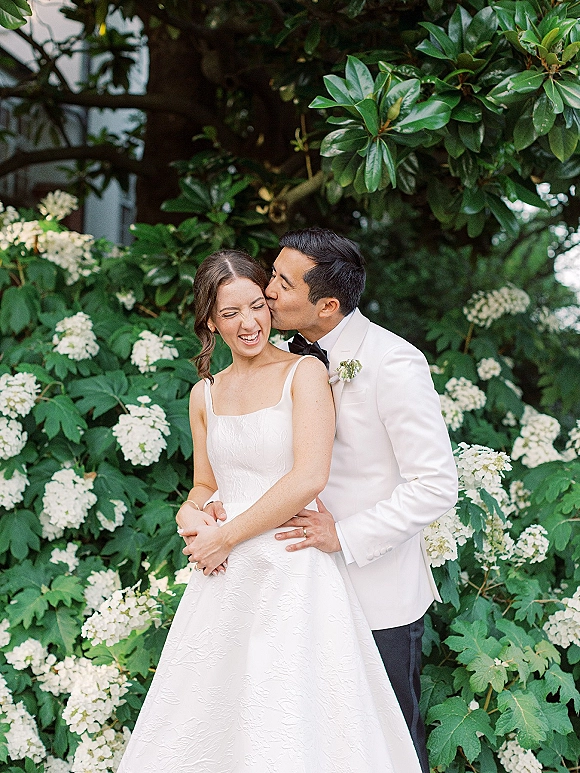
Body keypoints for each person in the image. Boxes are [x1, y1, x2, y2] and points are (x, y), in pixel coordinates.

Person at [117, 248, 423, 773]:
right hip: (224, 579)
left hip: (292, 569)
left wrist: (226, 535)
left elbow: (308, 477)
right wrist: (188, 519)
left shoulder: (304, 373)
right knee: (212, 722)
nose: (248, 323)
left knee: (288, 718)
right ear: (211, 321)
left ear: (269, 305)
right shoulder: (204, 394)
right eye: (230, 313)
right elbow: (204, 485)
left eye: (257, 306)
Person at [263, 228, 459, 773]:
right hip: (298, 584)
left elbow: (437, 483)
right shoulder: (281, 356)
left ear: (327, 305)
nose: (268, 290)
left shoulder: (395, 363)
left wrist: (343, 537)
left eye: (282, 282)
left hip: (377, 595)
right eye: (272, 274)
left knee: (387, 744)